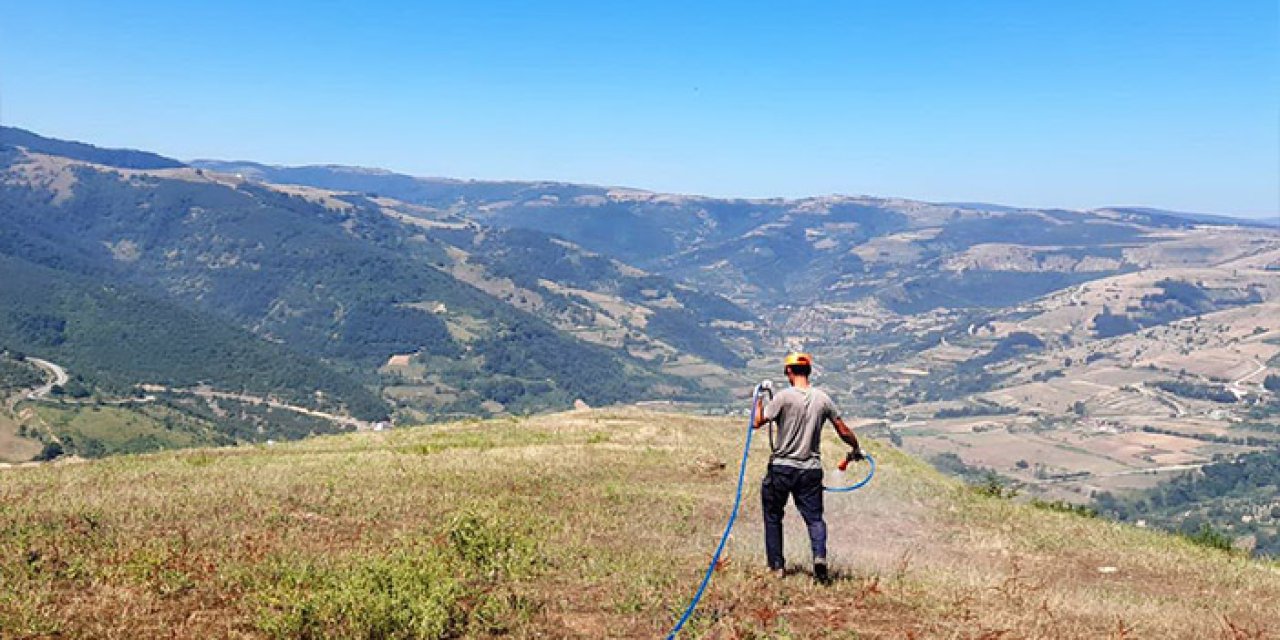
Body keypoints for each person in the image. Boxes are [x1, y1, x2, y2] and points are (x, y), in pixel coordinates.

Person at [753, 352, 864, 583]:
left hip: (781, 468)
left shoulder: (783, 397)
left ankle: (776, 567)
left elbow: (757, 422)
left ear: (788, 371)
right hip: (810, 470)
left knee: (773, 515)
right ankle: (819, 557)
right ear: (809, 371)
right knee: (815, 519)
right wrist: (856, 448)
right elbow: (843, 430)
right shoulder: (823, 399)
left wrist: (759, 397)